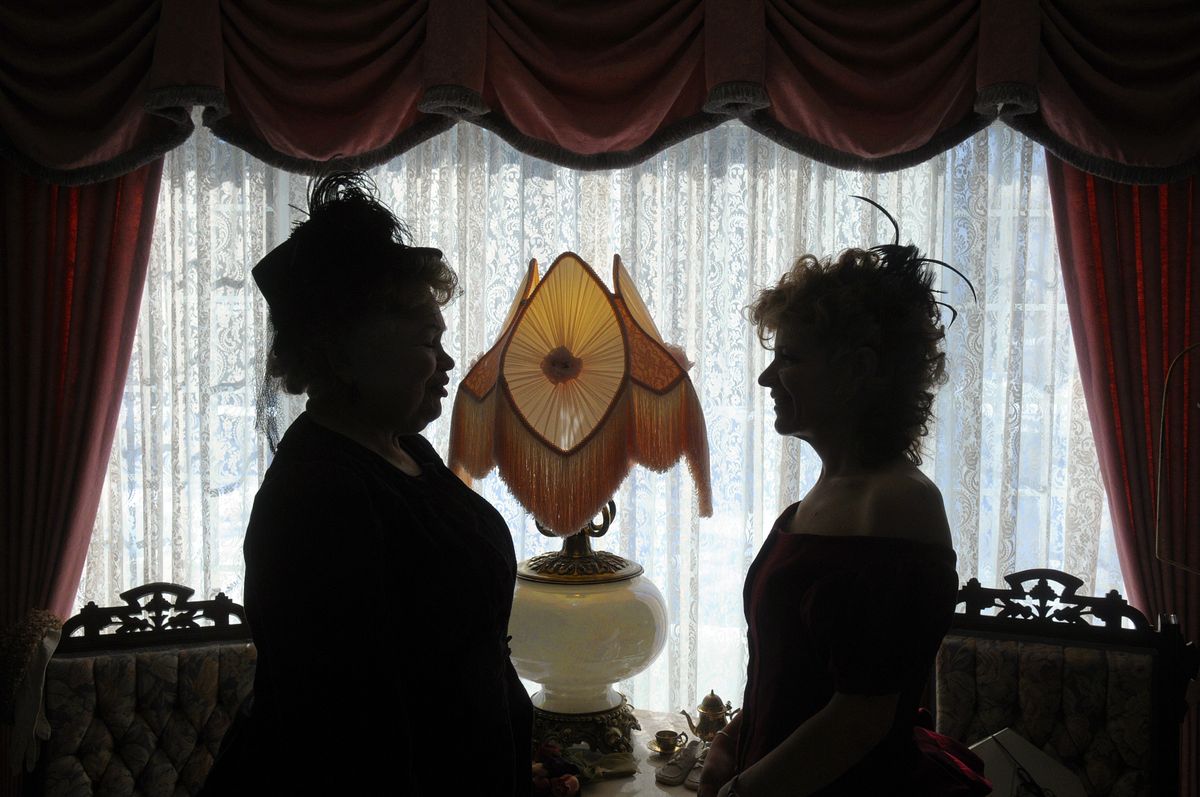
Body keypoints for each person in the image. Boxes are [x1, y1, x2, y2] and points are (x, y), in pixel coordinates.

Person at [200, 172, 532, 796]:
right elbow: (349, 740)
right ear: (344, 352)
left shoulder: (408, 452)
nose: (449, 363)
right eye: (428, 340)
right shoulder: (318, 498)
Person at [698, 204, 991, 797]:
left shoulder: (897, 505)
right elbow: (791, 677)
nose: (765, 380)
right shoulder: (819, 501)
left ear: (860, 369)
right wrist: (732, 742)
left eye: (789, 359)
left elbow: (858, 717)